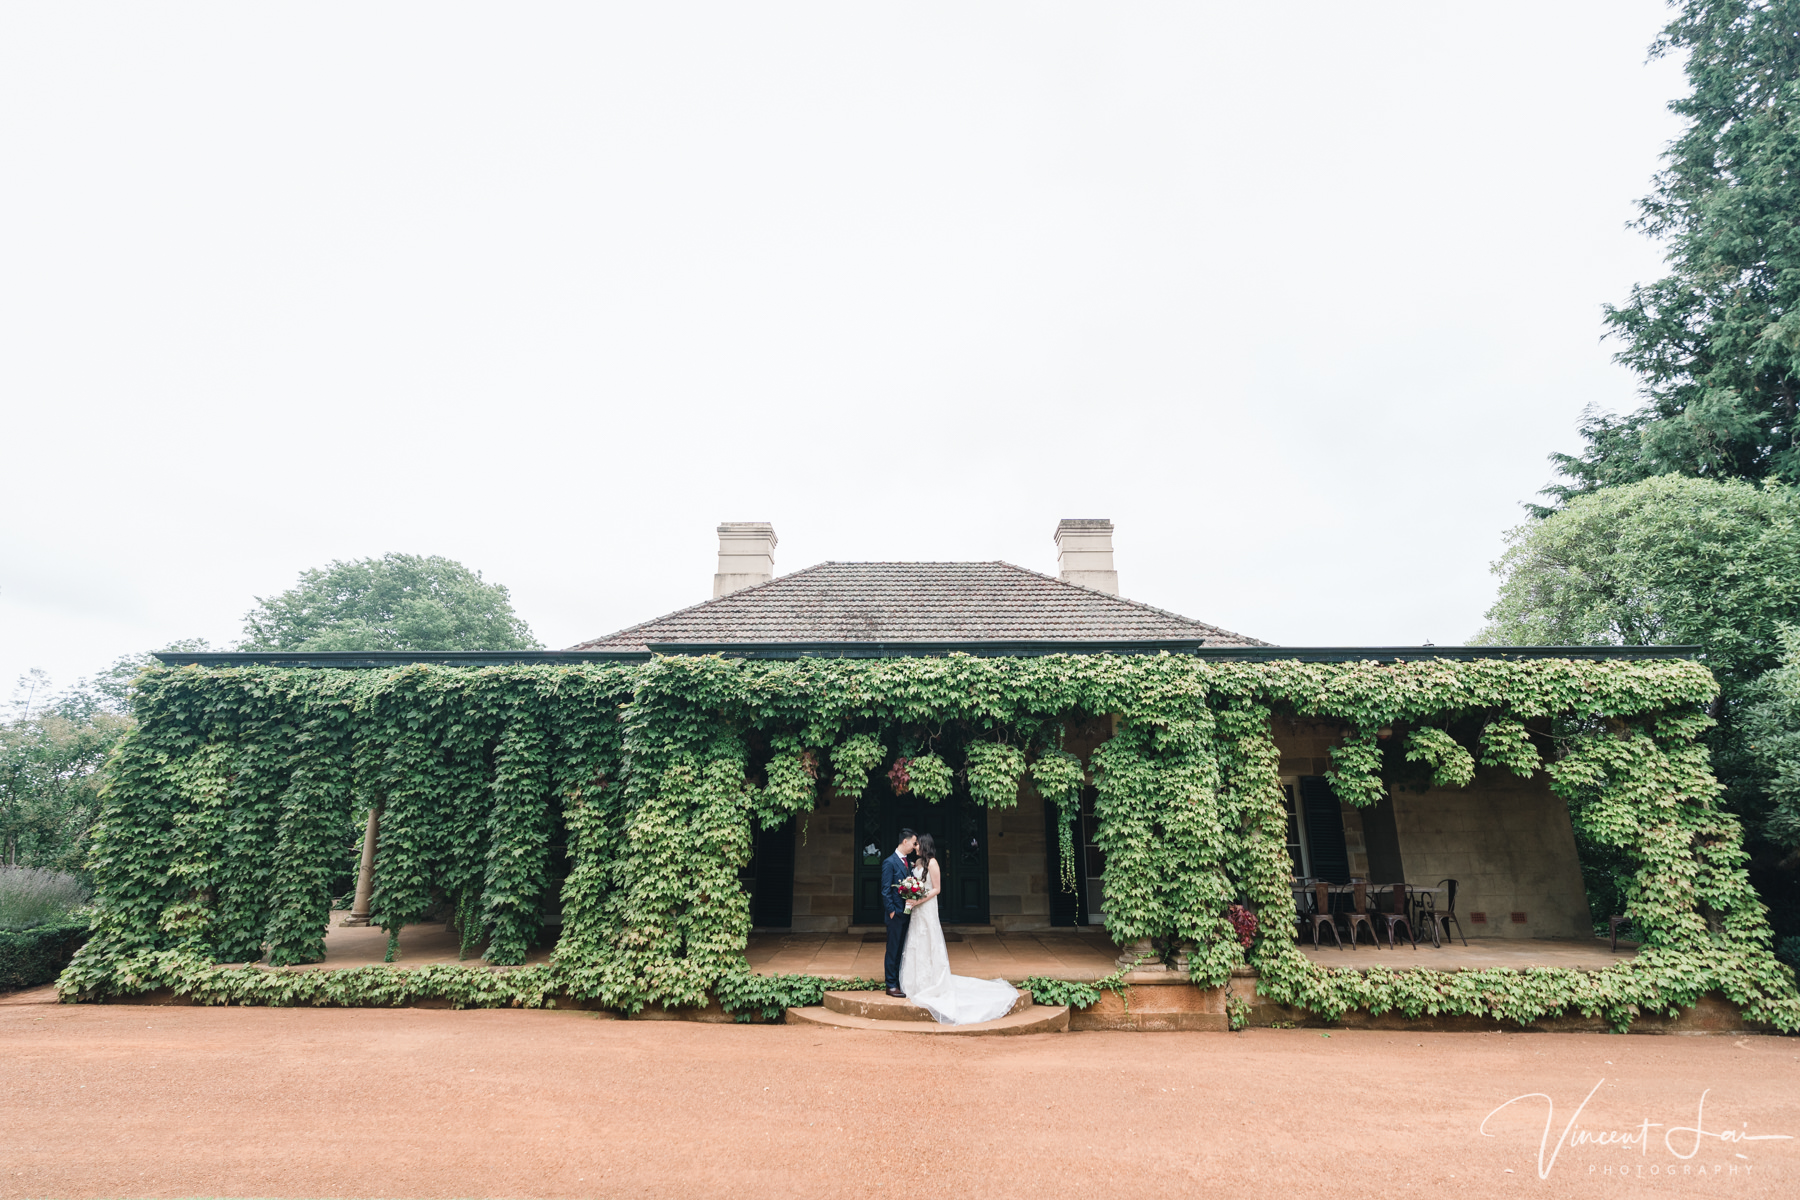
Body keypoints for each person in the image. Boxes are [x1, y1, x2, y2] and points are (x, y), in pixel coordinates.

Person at [897, 833, 1020, 1024]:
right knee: (916, 941)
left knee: (929, 939)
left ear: (925, 845)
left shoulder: (933, 863)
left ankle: (932, 982)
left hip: (927, 908)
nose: (915, 847)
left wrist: (919, 899)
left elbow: (937, 889)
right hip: (916, 911)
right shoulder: (917, 863)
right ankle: (916, 982)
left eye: (918, 844)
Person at [881, 830, 918, 997]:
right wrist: (891, 911)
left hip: (906, 913)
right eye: (913, 843)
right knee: (893, 949)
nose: (914, 846)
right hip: (895, 914)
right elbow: (885, 890)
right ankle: (891, 985)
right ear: (905, 841)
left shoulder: (907, 862)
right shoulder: (890, 862)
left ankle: (898, 981)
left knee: (901, 949)